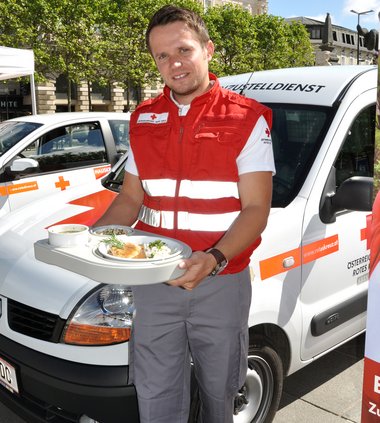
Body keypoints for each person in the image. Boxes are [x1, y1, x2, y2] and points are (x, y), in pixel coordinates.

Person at [94, 4, 275, 422]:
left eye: (184, 50)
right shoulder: (143, 119)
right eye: (162, 55)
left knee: (220, 394)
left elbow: (256, 209)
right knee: (156, 396)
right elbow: (129, 200)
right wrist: (87, 241)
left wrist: (212, 259)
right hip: (154, 283)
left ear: (207, 50)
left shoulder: (247, 119)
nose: (174, 63)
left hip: (221, 282)